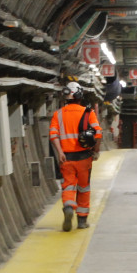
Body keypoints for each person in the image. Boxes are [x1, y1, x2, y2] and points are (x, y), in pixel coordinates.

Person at [49, 81, 102, 231]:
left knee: (68, 186)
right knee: (83, 188)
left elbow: (53, 135)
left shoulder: (57, 114)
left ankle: (68, 206)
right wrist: (96, 151)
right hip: (84, 157)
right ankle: (82, 221)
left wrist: (60, 152)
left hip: (66, 157)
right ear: (80, 95)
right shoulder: (88, 113)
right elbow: (98, 133)